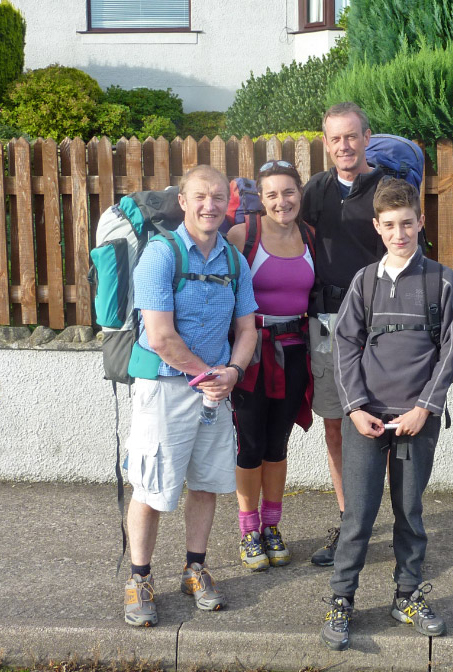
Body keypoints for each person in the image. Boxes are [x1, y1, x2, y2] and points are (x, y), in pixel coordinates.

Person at [320, 178, 453, 652]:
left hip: (415, 422)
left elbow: (451, 351)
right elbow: (344, 347)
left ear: (420, 223)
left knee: (410, 512)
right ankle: (341, 601)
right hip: (369, 420)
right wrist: (355, 409)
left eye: (407, 223)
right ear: (377, 227)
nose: (400, 233)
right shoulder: (364, 281)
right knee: (358, 515)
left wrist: (425, 408)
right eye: (390, 226)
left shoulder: (441, 280)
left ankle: (406, 595)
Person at [123, 165, 257, 627]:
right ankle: (140, 578)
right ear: (183, 201)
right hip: (164, 387)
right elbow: (160, 337)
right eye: (200, 196)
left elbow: (247, 329)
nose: (210, 205)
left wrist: (234, 372)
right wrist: (211, 376)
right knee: (153, 486)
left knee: (205, 483)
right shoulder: (161, 256)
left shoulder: (234, 261)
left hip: (215, 390)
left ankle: (194, 569)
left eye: (218, 197)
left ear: (228, 203)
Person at [302, 102, 387, 567]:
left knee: (384, 422)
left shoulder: (387, 190)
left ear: (367, 137)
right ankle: (348, 520)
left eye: (351, 136)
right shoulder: (316, 190)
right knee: (335, 422)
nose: (344, 146)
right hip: (326, 321)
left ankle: (389, 520)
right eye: (335, 139)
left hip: (379, 322)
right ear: (326, 142)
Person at [225, 160, 315, 572]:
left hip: (297, 353)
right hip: (252, 355)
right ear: (260, 200)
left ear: (300, 193)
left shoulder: (311, 237)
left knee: (279, 442)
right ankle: (248, 530)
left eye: (289, 192)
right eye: (273, 194)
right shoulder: (243, 235)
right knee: (251, 444)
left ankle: (272, 526)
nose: (283, 201)